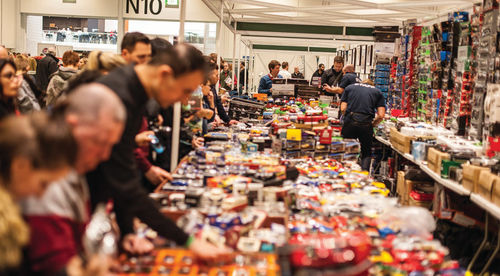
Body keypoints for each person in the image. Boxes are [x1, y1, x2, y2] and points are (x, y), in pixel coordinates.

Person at [86, 43, 231, 260]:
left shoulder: (131, 92)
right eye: (184, 91)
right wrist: (188, 241)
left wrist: (127, 232)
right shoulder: (120, 96)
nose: (184, 101)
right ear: (165, 74)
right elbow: (124, 181)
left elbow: (122, 170)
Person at [23, 84, 125, 275]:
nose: (105, 155)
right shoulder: (46, 179)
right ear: (72, 125)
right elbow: (55, 267)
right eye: (99, 142)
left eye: (110, 145)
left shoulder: (73, 168)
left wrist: (90, 261)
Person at [0, 113, 77, 273]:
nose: (41, 194)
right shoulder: (5, 221)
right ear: (20, 166)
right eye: (44, 183)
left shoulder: (12, 208)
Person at [341, 80, 386, 171]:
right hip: (366, 124)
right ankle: (364, 176)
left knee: (347, 149)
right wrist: (372, 124)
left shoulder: (350, 87)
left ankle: (346, 173)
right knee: (366, 152)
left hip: (350, 122)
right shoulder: (377, 92)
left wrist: (348, 118)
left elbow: (343, 108)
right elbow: (381, 115)